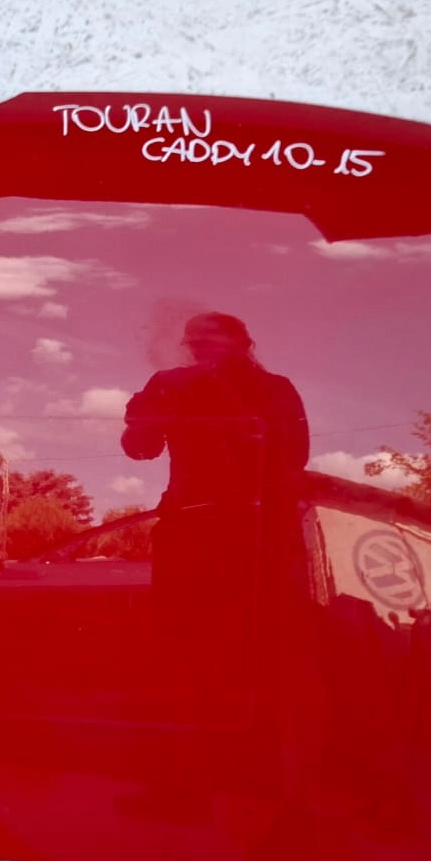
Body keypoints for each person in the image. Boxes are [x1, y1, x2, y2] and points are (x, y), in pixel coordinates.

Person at [121, 311, 309, 728]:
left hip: (254, 531)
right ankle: (191, 740)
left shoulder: (274, 389)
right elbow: (140, 449)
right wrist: (141, 417)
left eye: (212, 339)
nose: (200, 346)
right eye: (194, 340)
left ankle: (238, 738)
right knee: (184, 641)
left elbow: (293, 460)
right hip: (192, 527)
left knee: (248, 639)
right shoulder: (170, 384)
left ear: (243, 343)